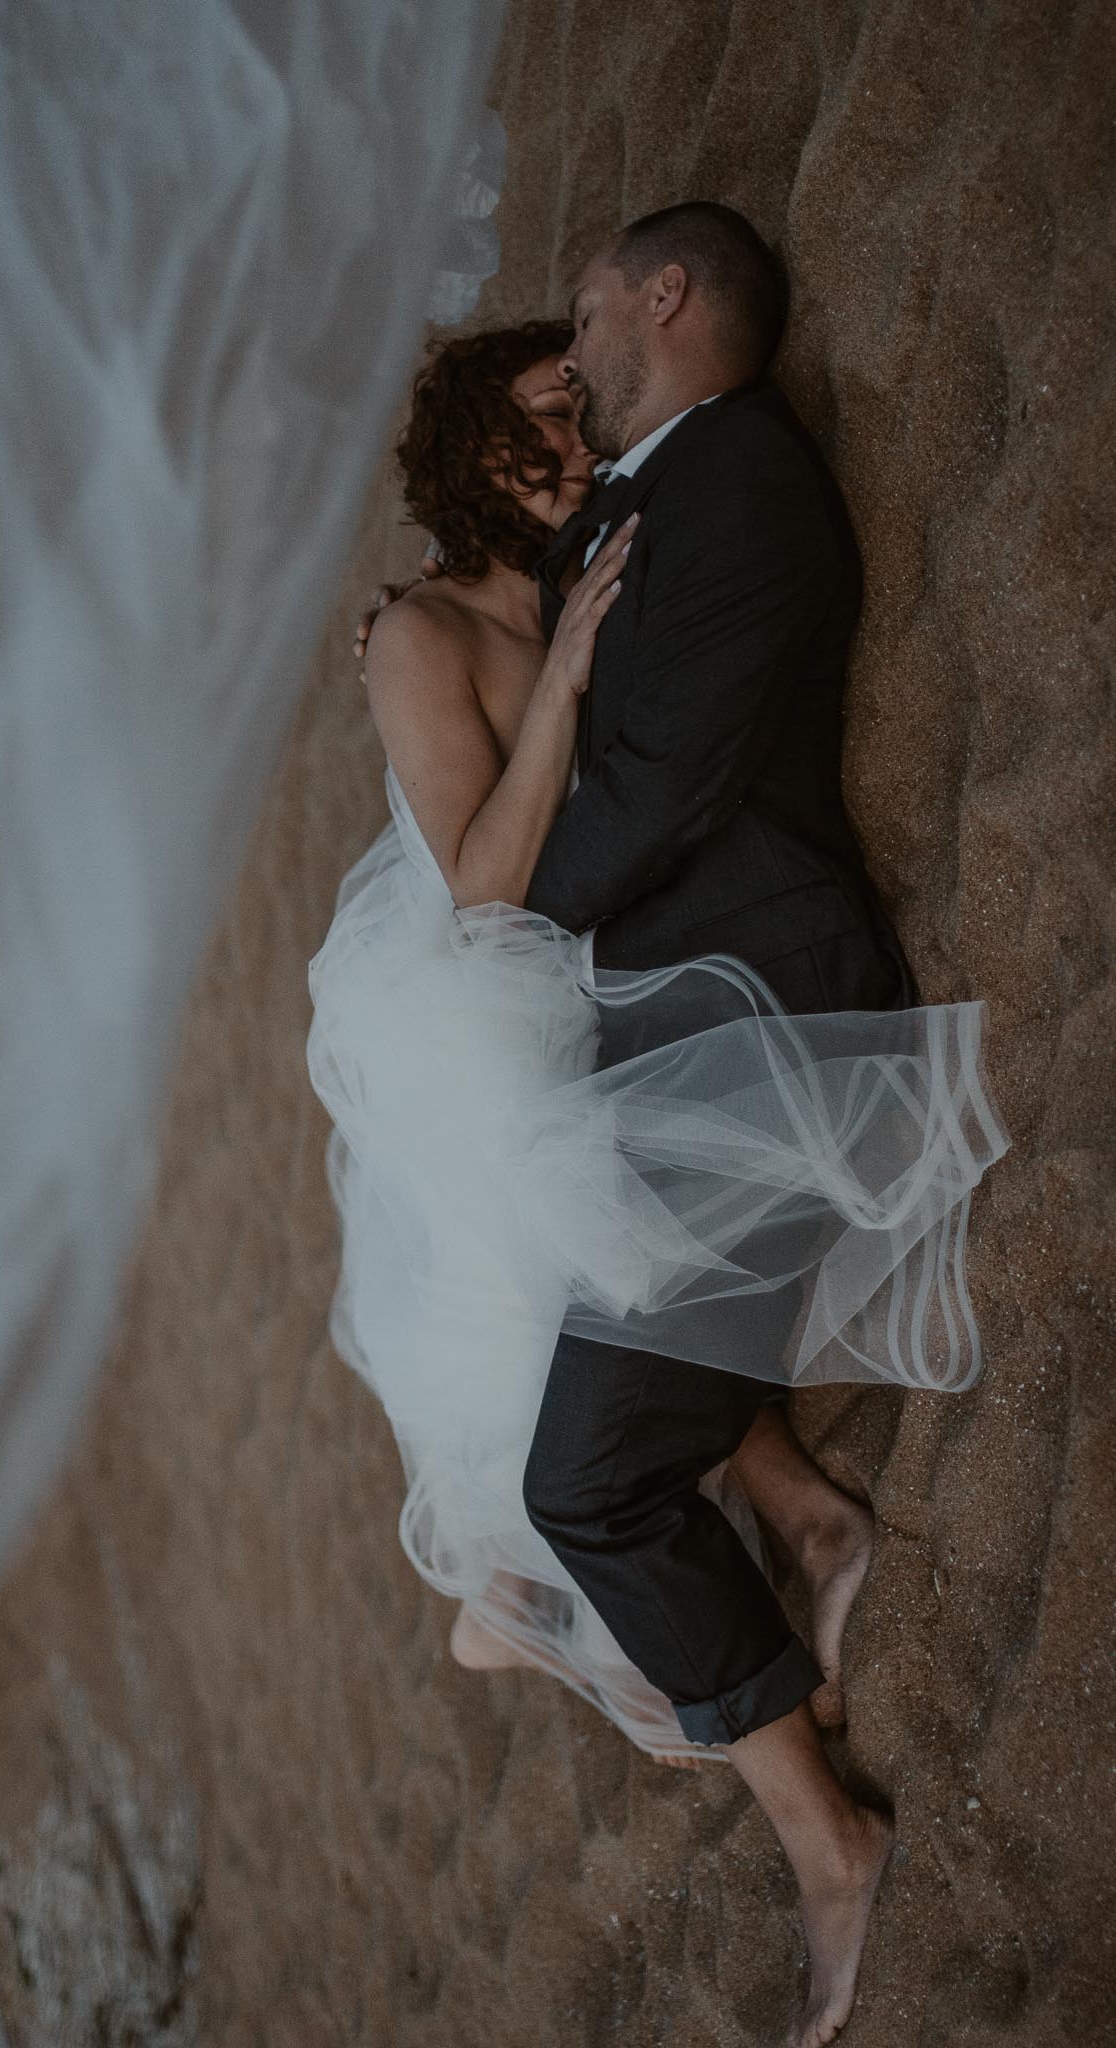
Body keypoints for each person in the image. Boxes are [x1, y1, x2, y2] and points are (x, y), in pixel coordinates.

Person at [313, 213, 1007, 2048]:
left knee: (582, 1467)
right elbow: (503, 862)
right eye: (546, 407)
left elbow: (639, 799)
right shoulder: (574, 550)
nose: (576, 405)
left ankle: (825, 1836)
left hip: (753, 1015)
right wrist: (525, 668)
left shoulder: (715, 495)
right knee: (568, 1371)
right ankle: (785, 1561)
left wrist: (561, 709)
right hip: (653, 1024)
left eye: (588, 355)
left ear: (662, 304)